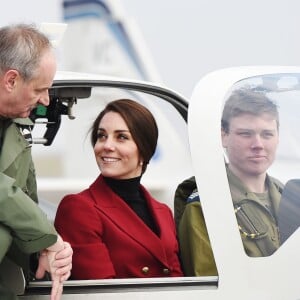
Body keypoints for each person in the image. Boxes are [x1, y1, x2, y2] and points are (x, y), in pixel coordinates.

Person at [55, 99, 183, 279]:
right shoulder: (78, 208)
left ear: (144, 150)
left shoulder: (163, 212)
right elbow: (100, 292)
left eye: (121, 137)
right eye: (101, 136)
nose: (107, 145)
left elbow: (178, 282)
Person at [174, 89, 283, 276]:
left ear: (277, 137)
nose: (258, 144)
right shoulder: (205, 207)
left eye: (267, 134)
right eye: (246, 134)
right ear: (223, 136)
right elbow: (209, 288)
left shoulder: (291, 198)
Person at [0, 23, 73, 300]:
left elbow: (27, 198)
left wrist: (46, 249)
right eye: (40, 89)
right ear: (11, 80)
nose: (45, 100)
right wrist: (49, 239)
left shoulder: (17, 127)